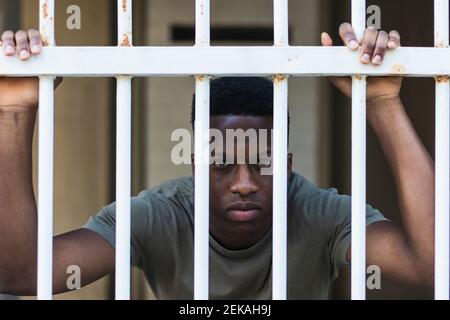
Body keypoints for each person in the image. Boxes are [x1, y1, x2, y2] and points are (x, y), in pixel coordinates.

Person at [0, 23, 434, 299]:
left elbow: (433, 265)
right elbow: (23, 276)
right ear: (194, 166)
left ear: (286, 165)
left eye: (261, 163)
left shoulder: (320, 213)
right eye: (222, 164)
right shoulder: (158, 215)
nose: (244, 182)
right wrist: (14, 112)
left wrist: (381, 103)